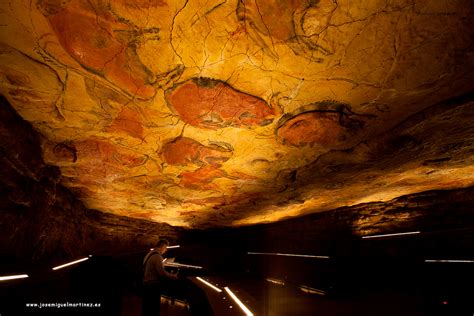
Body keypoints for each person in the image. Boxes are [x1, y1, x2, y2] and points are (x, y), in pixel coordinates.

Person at [141, 239, 178, 316]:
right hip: (152, 285)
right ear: (162, 246)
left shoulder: (149, 254)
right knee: (154, 308)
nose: (166, 250)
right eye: (166, 248)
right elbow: (162, 273)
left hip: (146, 284)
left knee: (146, 307)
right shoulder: (158, 256)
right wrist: (173, 276)